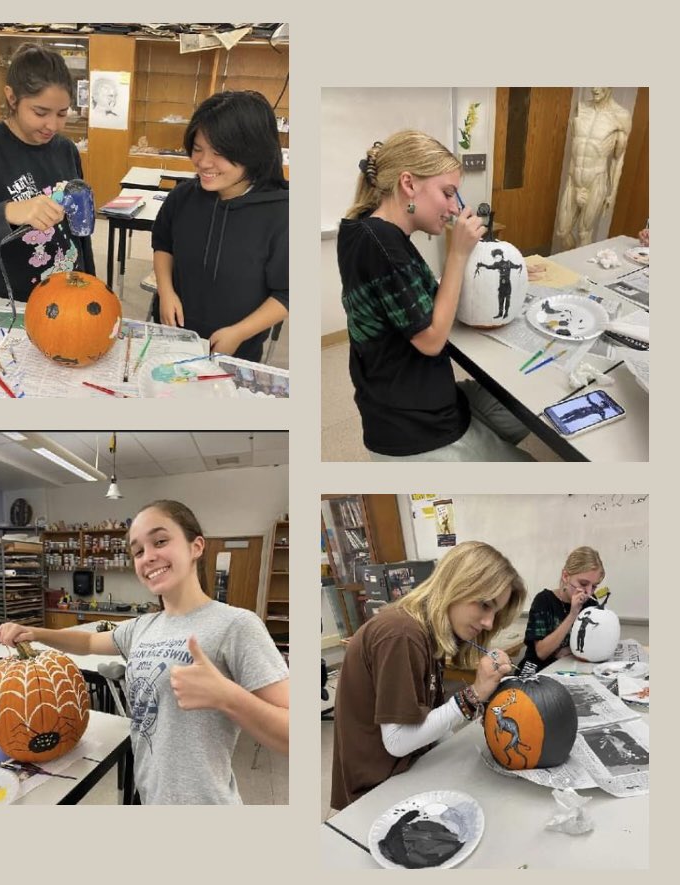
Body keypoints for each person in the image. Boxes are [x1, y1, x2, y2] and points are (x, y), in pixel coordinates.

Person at [0, 499, 289, 805]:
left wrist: (228, 697)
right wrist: (34, 633)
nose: (148, 557)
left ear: (196, 547)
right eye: (137, 551)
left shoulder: (236, 625)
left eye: (160, 541)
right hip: (150, 796)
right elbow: (87, 643)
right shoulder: (142, 627)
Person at [337, 130, 533, 461]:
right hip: (413, 424)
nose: (456, 207)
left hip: (407, 398)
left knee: (525, 406)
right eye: (448, 193)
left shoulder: (362, 227)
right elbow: (430, 340)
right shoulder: (383, 245)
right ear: (409, 184)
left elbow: (411, 292)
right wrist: (457, 253)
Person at [330, 541, 526, 810]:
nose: (488, 623)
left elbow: (426, 711)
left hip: (409, 765)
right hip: (377, 787)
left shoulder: (428, 632)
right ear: (456, 585)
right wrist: (473, 696)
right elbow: (397, 742)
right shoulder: (402, 634)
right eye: (484, 605)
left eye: (496, 612)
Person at [151, 90, 288, 362]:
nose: (203, 163)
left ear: (253, 152)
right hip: (170, 334)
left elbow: (286, 293)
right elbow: (163, 245)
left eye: (219, 153)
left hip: (235, 347)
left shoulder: (282, 213)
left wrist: (239, 332)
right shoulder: (183, 197)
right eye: (198, 149)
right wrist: (165, 293)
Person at [0, 42, 95, 301]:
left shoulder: (66, 149)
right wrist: (8, 212)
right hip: (9, 303)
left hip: (66, 292)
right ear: (12, 98)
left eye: (62, 113)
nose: (52, 125)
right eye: (40, 112)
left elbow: (79, 234)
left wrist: (89, 280)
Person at [554, 87, 632, 249]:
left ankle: (580, 272)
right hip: (574, 180)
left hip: (596, 181)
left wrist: (612, 193)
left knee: (584, 233)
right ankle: (569, 266)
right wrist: (574, 184)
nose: (595, 88)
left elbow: (618, 159)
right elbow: (577, 147)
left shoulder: (621, 116)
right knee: (563, 231)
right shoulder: (581, 108)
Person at [520, 546, 604, 673]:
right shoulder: (544, 601)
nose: (588, 592)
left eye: (594, 587)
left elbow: (592, 644)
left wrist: (570, 651)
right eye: (583, 584)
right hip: (537, 669)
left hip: (568, 669)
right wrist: (572, 614)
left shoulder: (590, 604)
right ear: (565, 576)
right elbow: (541, 653)